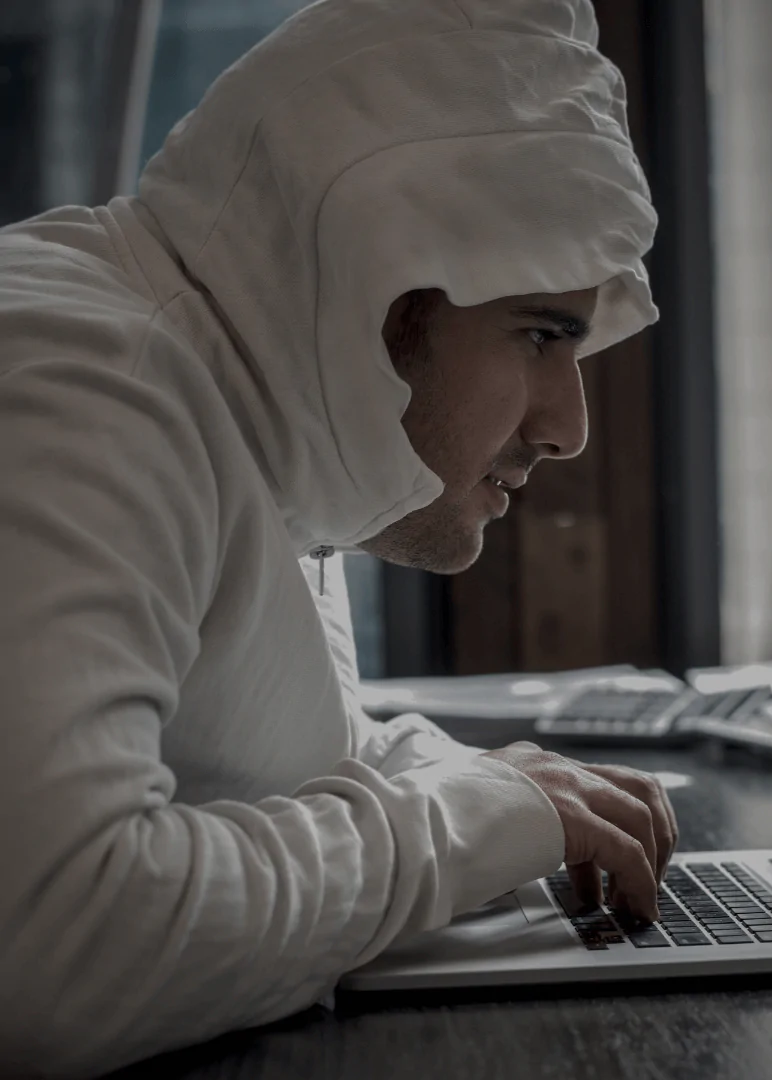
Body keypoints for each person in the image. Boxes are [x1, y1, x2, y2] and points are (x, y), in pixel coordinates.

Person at [0, 0, 675, 1075]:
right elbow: (55, 948)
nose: (569, 428)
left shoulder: (244, 405)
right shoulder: (92, 389)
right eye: (542, 335)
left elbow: (269, 764)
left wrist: (496, 785)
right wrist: (466, 825)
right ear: (383, 286)